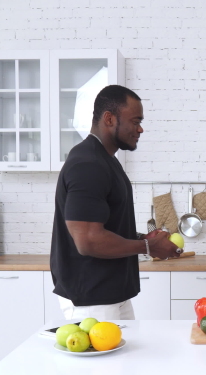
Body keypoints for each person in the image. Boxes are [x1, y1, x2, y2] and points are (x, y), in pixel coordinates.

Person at [50, 85, 179, 323]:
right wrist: (148, 249)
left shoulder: (106, 161)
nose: (140, 129)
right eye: (135, 121)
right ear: (109, 119)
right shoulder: (87, 164)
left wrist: (145, 239)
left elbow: (106, 226)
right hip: (90, 299)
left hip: (109, 293)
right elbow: (88, 240)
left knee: (126, 360)